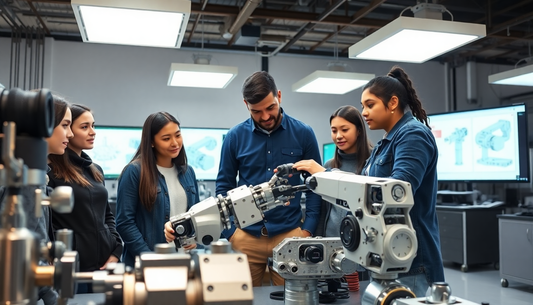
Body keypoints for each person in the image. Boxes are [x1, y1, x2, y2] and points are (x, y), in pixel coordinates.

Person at [216, 71, 322, 287]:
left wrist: (307, 230)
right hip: (245, 237)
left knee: (291, 301)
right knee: (241, 302)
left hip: (290, 237)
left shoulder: (304, 133)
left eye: (270, 107)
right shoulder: (235, 137)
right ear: (246, 104)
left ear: (279, 96)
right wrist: (230, 233)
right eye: (256, 111)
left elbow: (315, 185)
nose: (265, 117)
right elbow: (224, 187)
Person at [360, 66, 445, 296]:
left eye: (370, 105)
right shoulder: (384, 143)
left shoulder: (412, 135)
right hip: (388, 256)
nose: (364, 112)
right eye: (363, 106)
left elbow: (397, 193)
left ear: (393, 103)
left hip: (411, 262)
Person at [47, 104, 123, 293]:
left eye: (93, 125)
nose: (93, 132)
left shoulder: (95, 170)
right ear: (68, 130)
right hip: (73, 269)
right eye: (84, 127)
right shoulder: (51, 172)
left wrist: (116, 248)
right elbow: (48, 224)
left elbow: (107, 215)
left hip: (106, 265)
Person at [116, 111, 200, 268]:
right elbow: (124, 223)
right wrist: (148, 258)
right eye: (166, 139)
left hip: (184, 260)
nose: (175, 143)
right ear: (152, 142)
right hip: (148, 263)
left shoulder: (188, 172)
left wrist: (194, 238)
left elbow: (196, 215)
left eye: (177, 135)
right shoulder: (134, 172)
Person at [292, 105, 372, 237]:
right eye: (334, 131)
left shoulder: (373, 162)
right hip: (331, 240)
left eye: (345, 130)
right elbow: (323, 210)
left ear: (359, 130)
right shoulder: (330, 165)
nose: (338, 136)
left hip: (362, 240)